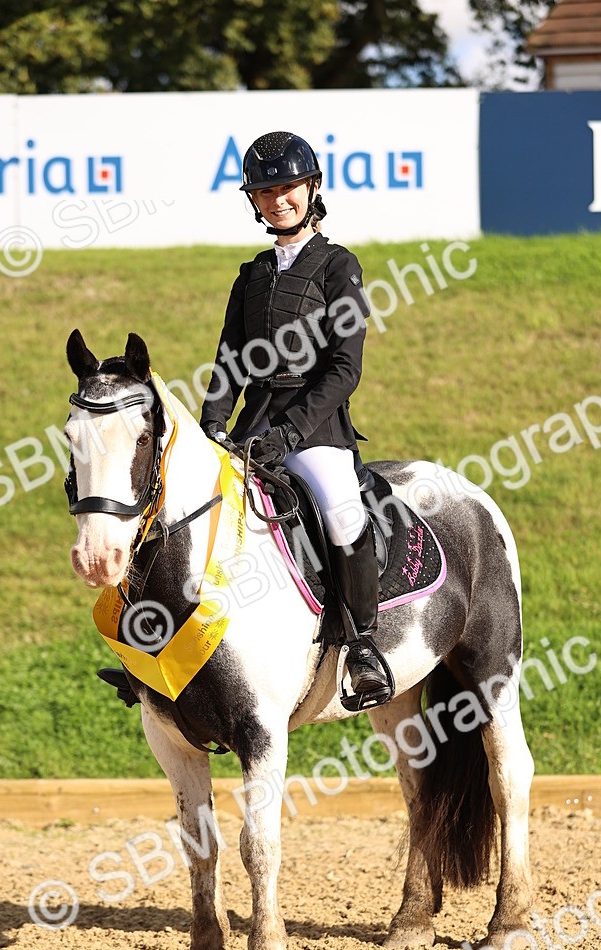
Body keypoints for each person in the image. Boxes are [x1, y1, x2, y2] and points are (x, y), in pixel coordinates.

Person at [200, 130, 387, 700]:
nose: (277, 199)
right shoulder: (251, 274)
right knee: (187, 509)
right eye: (265, 191)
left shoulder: (338, 265)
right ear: (253, 201)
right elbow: (230, 360)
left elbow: (345, 369)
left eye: (287, 188)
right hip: (252, 428)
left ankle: (361, 645)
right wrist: (212, 424)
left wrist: (290, 433)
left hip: (316, 429)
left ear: (311, 188)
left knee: (341, 510)